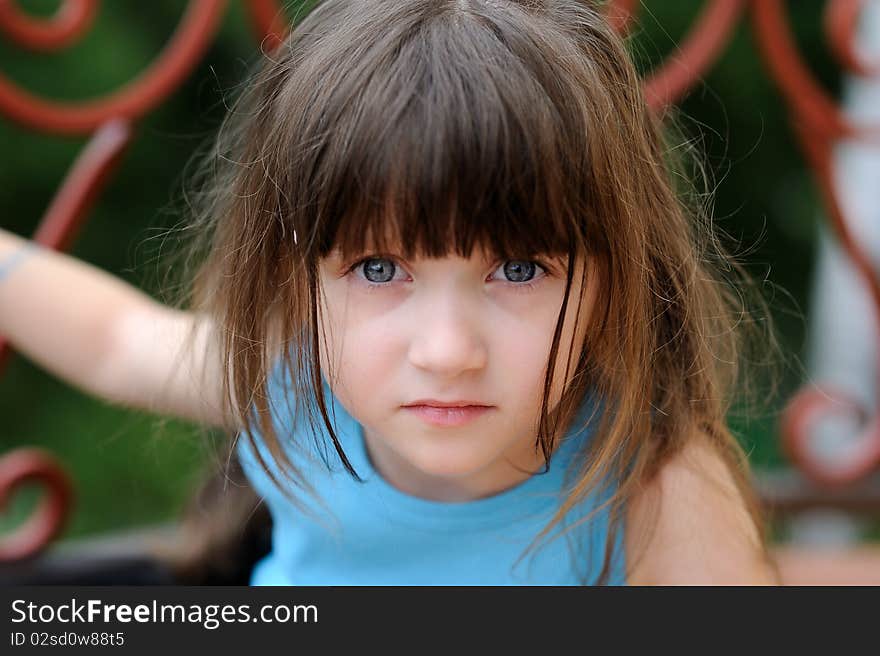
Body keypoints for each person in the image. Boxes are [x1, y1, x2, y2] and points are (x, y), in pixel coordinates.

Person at [0, 0, 781, 585]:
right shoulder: (292, 378)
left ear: (617, 279)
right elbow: (114, 340)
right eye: (379, 270)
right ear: (291, 274)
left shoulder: (653, 485)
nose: (447, 353)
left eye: (518, 270)